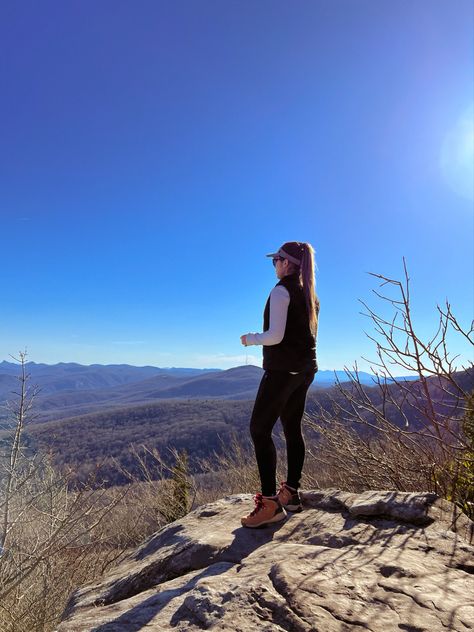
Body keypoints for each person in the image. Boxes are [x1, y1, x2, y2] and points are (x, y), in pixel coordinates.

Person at [240, 241, 319, 528]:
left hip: (282, 371)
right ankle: (292, 494)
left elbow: (275, 335)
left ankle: (271, 504)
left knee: (259, 430)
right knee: (291, 428)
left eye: (275, 260)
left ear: (286, 264)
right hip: (305, 370)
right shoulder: (310, 294)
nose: (274, 265)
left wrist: (250, 338)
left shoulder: (281, 290)